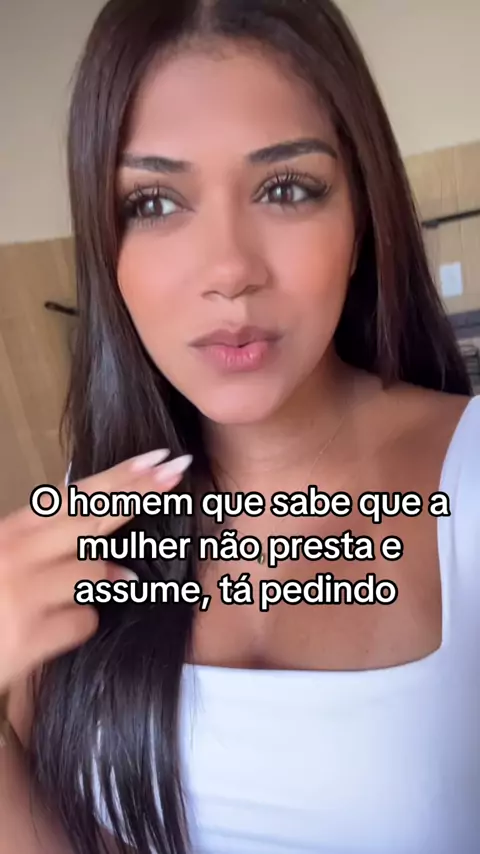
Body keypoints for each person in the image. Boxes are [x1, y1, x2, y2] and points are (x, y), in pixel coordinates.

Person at [0, 0, 479, 851]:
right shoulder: (89, 515)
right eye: (154, 202)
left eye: (286, 189)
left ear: (360, 217)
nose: (229, 270)